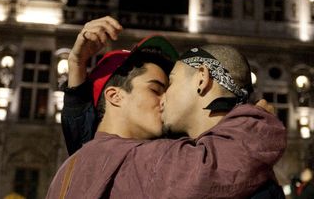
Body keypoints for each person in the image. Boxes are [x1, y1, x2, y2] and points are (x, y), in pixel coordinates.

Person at [46, 16, 286, 198]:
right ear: (115, 96)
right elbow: (213, 167)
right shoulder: (137, 160)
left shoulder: (77, 166)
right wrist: (255, 122)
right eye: (156, 88)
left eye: (169, 84)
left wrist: (77, 69)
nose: (164, 98)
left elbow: (91, 139)